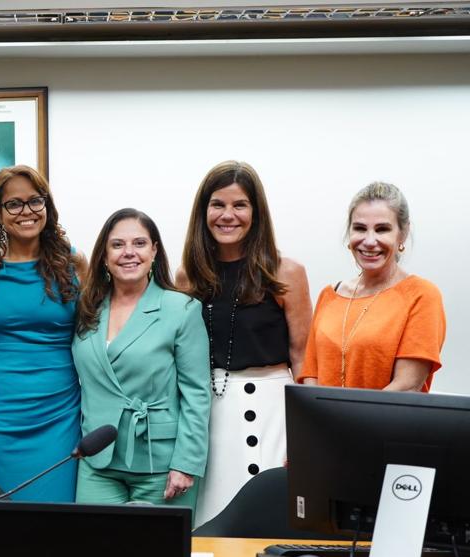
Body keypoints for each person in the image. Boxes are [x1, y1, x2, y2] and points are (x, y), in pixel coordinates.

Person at [177, 161, 312, 527]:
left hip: (275, 411)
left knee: (273, 518)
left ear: (256, 212)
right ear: (203, 211)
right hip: (212, 410)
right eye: (218, 204)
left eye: (240, 205)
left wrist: (307, 437)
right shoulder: (188, 274)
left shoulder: (287, 272)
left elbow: (304, 358)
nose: (228, 215)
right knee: (213, 519)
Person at [73, 209, 210, 511]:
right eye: (118, 245)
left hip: (160, 463)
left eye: (139, 243)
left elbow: (197, 393)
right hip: (98, 461)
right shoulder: (87, 308)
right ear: (104, 255)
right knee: (92, 553)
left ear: (155, 251)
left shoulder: (182, 309)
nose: (129, 253)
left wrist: (186, 463)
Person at [0, 165, 87, 501]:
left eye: (35, 201)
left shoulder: (74, 263)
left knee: (55, 516)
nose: (27, 212)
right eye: (14, 204)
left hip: (59, 412)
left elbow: (91, 333)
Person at [297, 181, 445, 391]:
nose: (369, 241)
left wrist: (347, 422)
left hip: (385, 424)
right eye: (359, 228)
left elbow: (406, 386)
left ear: (402, 234)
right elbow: (310, 377)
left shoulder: (421, 296)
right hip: (323, 423)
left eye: (382, 229)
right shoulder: (330, 296)